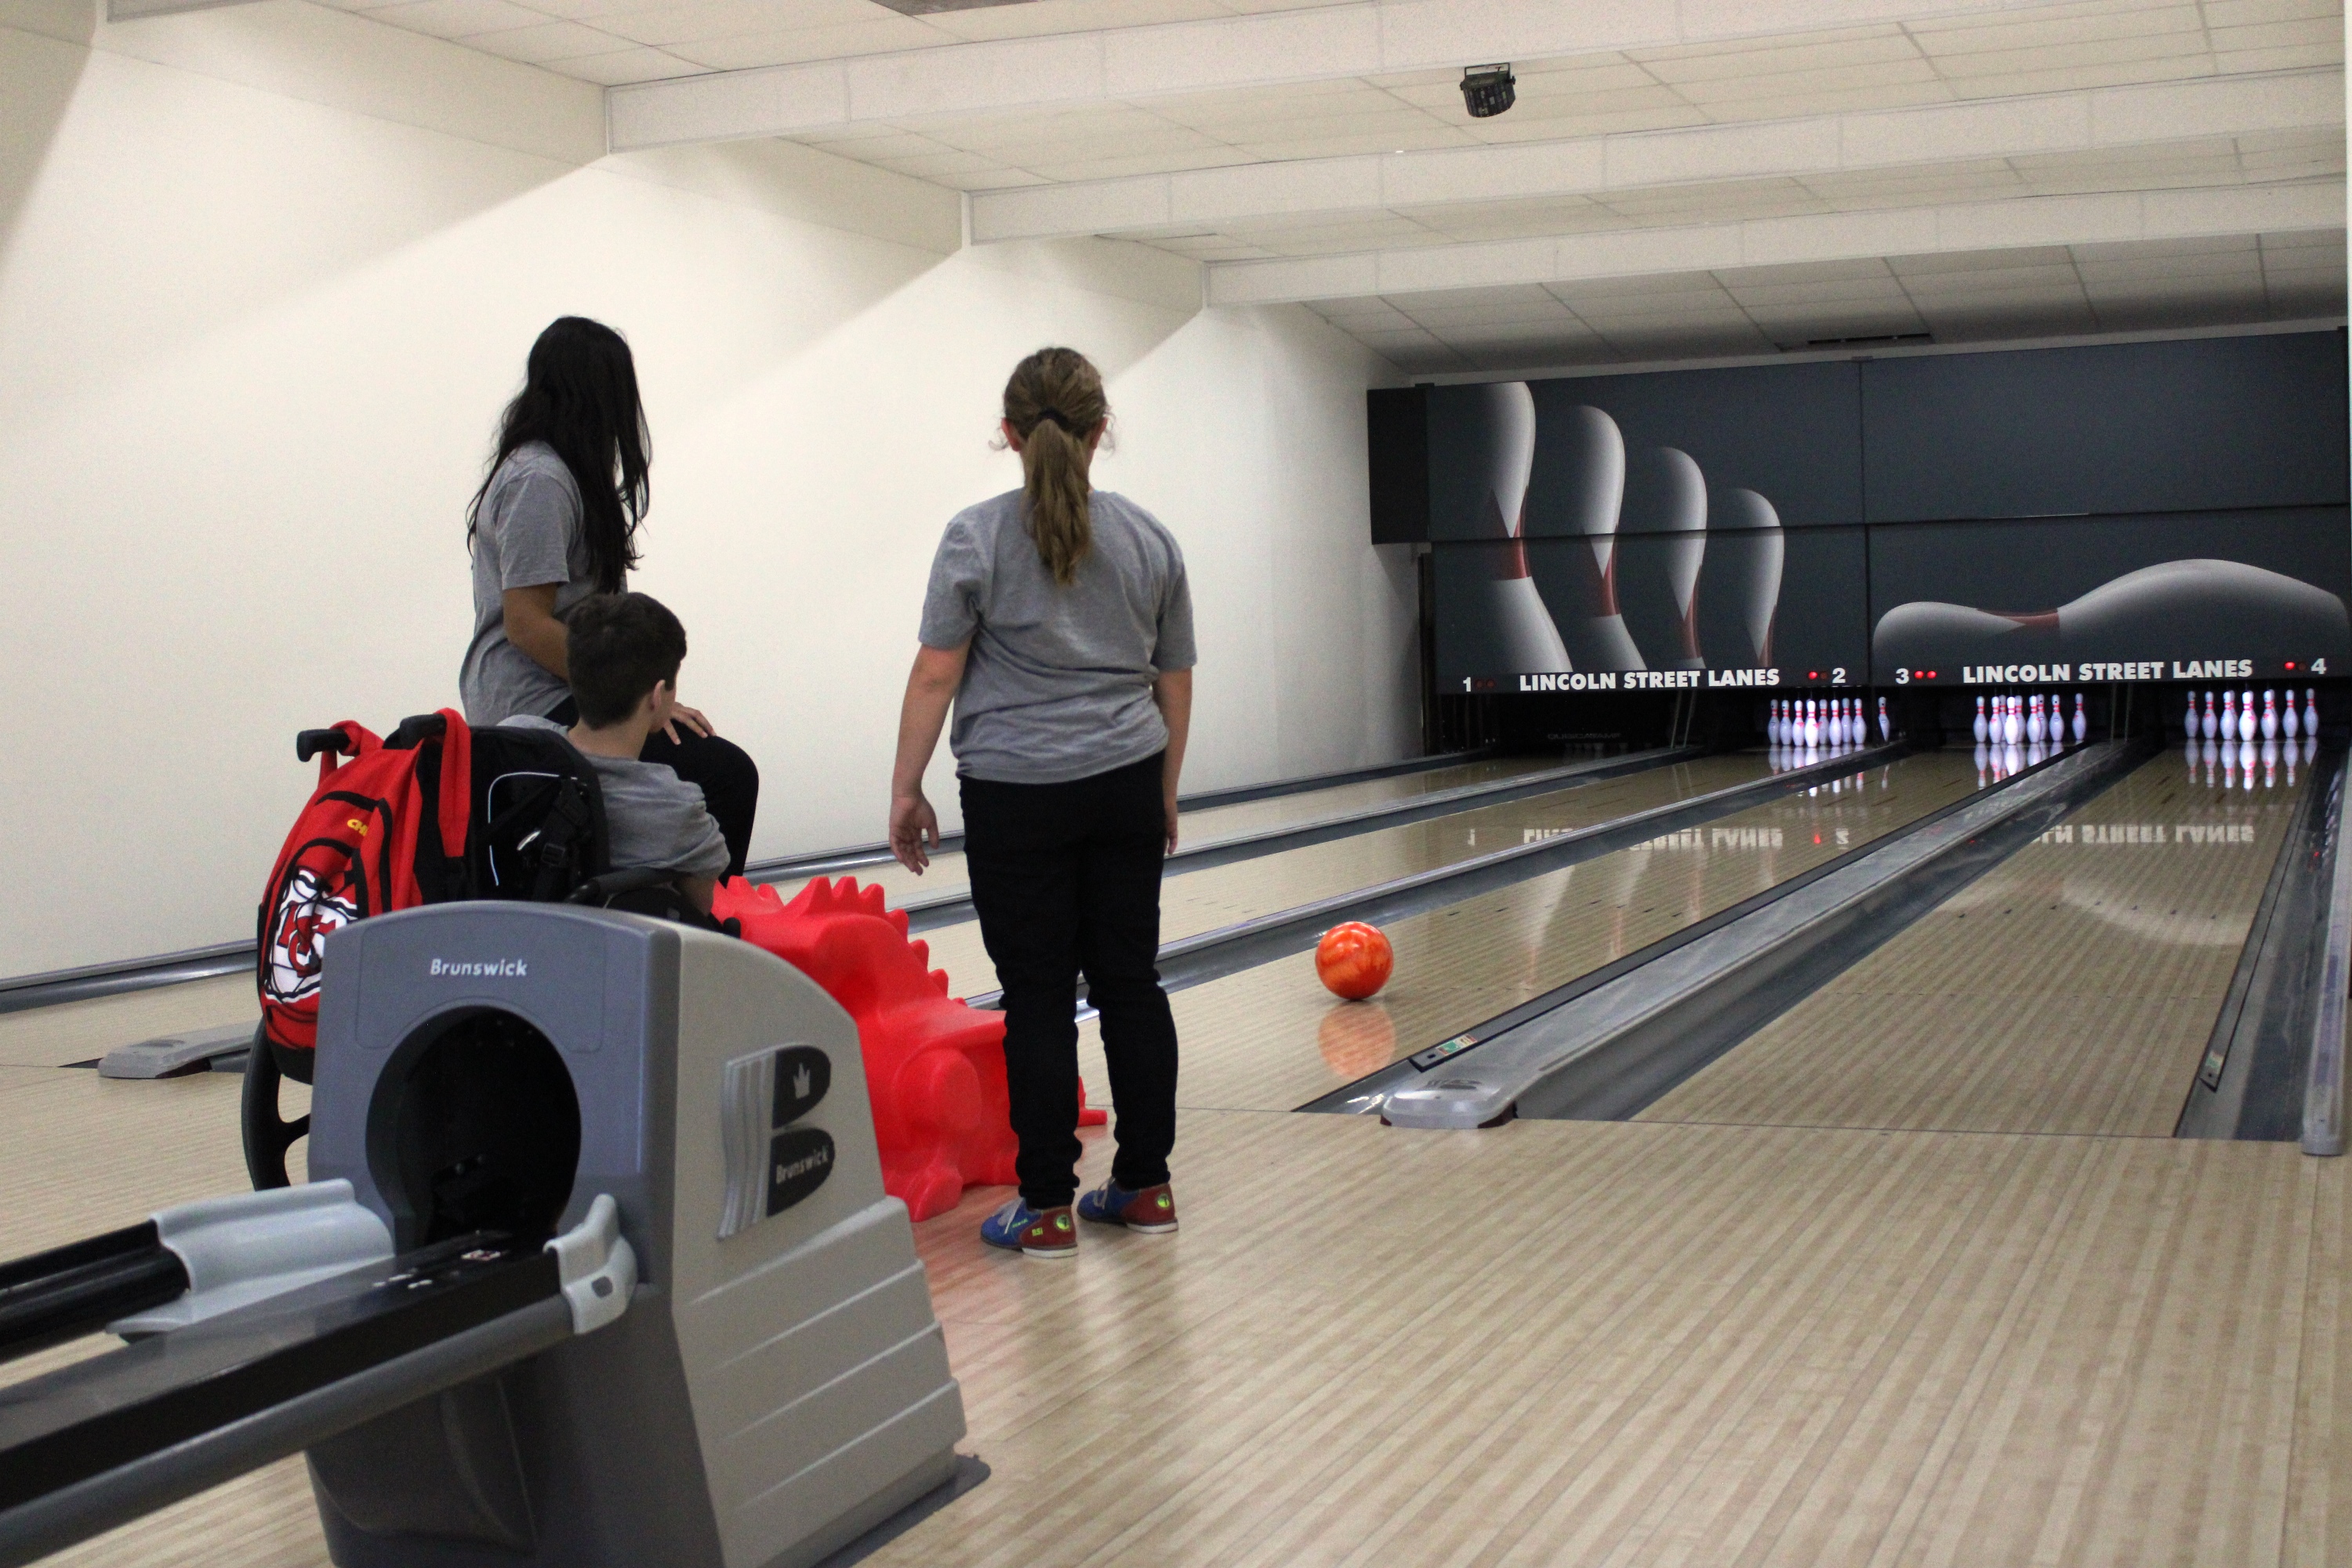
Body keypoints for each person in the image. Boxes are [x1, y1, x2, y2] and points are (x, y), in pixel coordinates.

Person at [889, 347, 1196, 1260]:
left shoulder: (974, 535)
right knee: (1130, 981)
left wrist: (906, 787)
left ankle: (1048, 1205)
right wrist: (1163, 789)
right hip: (1123, 782)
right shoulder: (1149, 538)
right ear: (1102, 430)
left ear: (1010, 433)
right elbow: (1172, 680)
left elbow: (937, 670)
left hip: (1015, 792)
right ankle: (1145, 1187)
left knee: (1035, 996)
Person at [459, 316, 760, 876]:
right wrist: (627, 694)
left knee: (710, 762)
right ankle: (692, 930)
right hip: (529, 703)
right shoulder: (540, 480)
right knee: (724, 774)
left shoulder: (565, 476)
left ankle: (668, 918)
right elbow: (527, 625)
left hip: (566, 688)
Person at [503, 593, 727, 914]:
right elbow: (702, 912)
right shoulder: (677, 809)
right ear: (656, 697)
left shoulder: (516, 737)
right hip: (614, 956)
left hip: (503, 940)